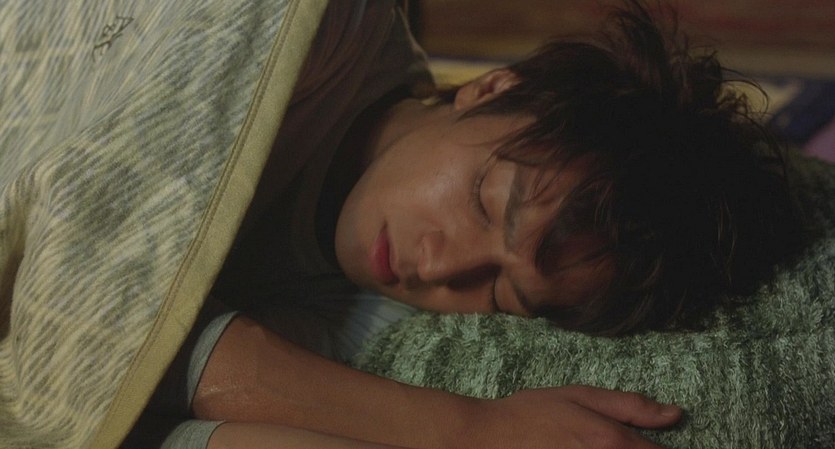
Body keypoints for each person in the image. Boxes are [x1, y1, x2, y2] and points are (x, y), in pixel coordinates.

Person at [129, 0, 800, 447]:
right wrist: (463, 428)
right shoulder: (319, 33)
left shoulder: (369, 314)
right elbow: (101, 299)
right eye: (486, 202)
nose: (439, 267)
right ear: (492, 88)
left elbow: (148, 388)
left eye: (500, 291)